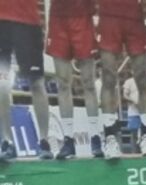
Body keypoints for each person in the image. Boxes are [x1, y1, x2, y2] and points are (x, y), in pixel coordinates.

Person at [96, 0, 146, 159]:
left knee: (142, 78)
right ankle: (110, 137)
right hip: (109, 14)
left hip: (133, 15)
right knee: (108, 78)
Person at [45, 0, 103, 159]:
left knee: (89, 83)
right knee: (63, 84)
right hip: (58, 18)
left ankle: (95, 137)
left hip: (82, 16)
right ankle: (68, 140)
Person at [0, 0, 53, 161]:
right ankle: (7, 142)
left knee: (36, 83)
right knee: (2, 82)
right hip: (2, 24)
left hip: (27, 23)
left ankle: (44, 141)